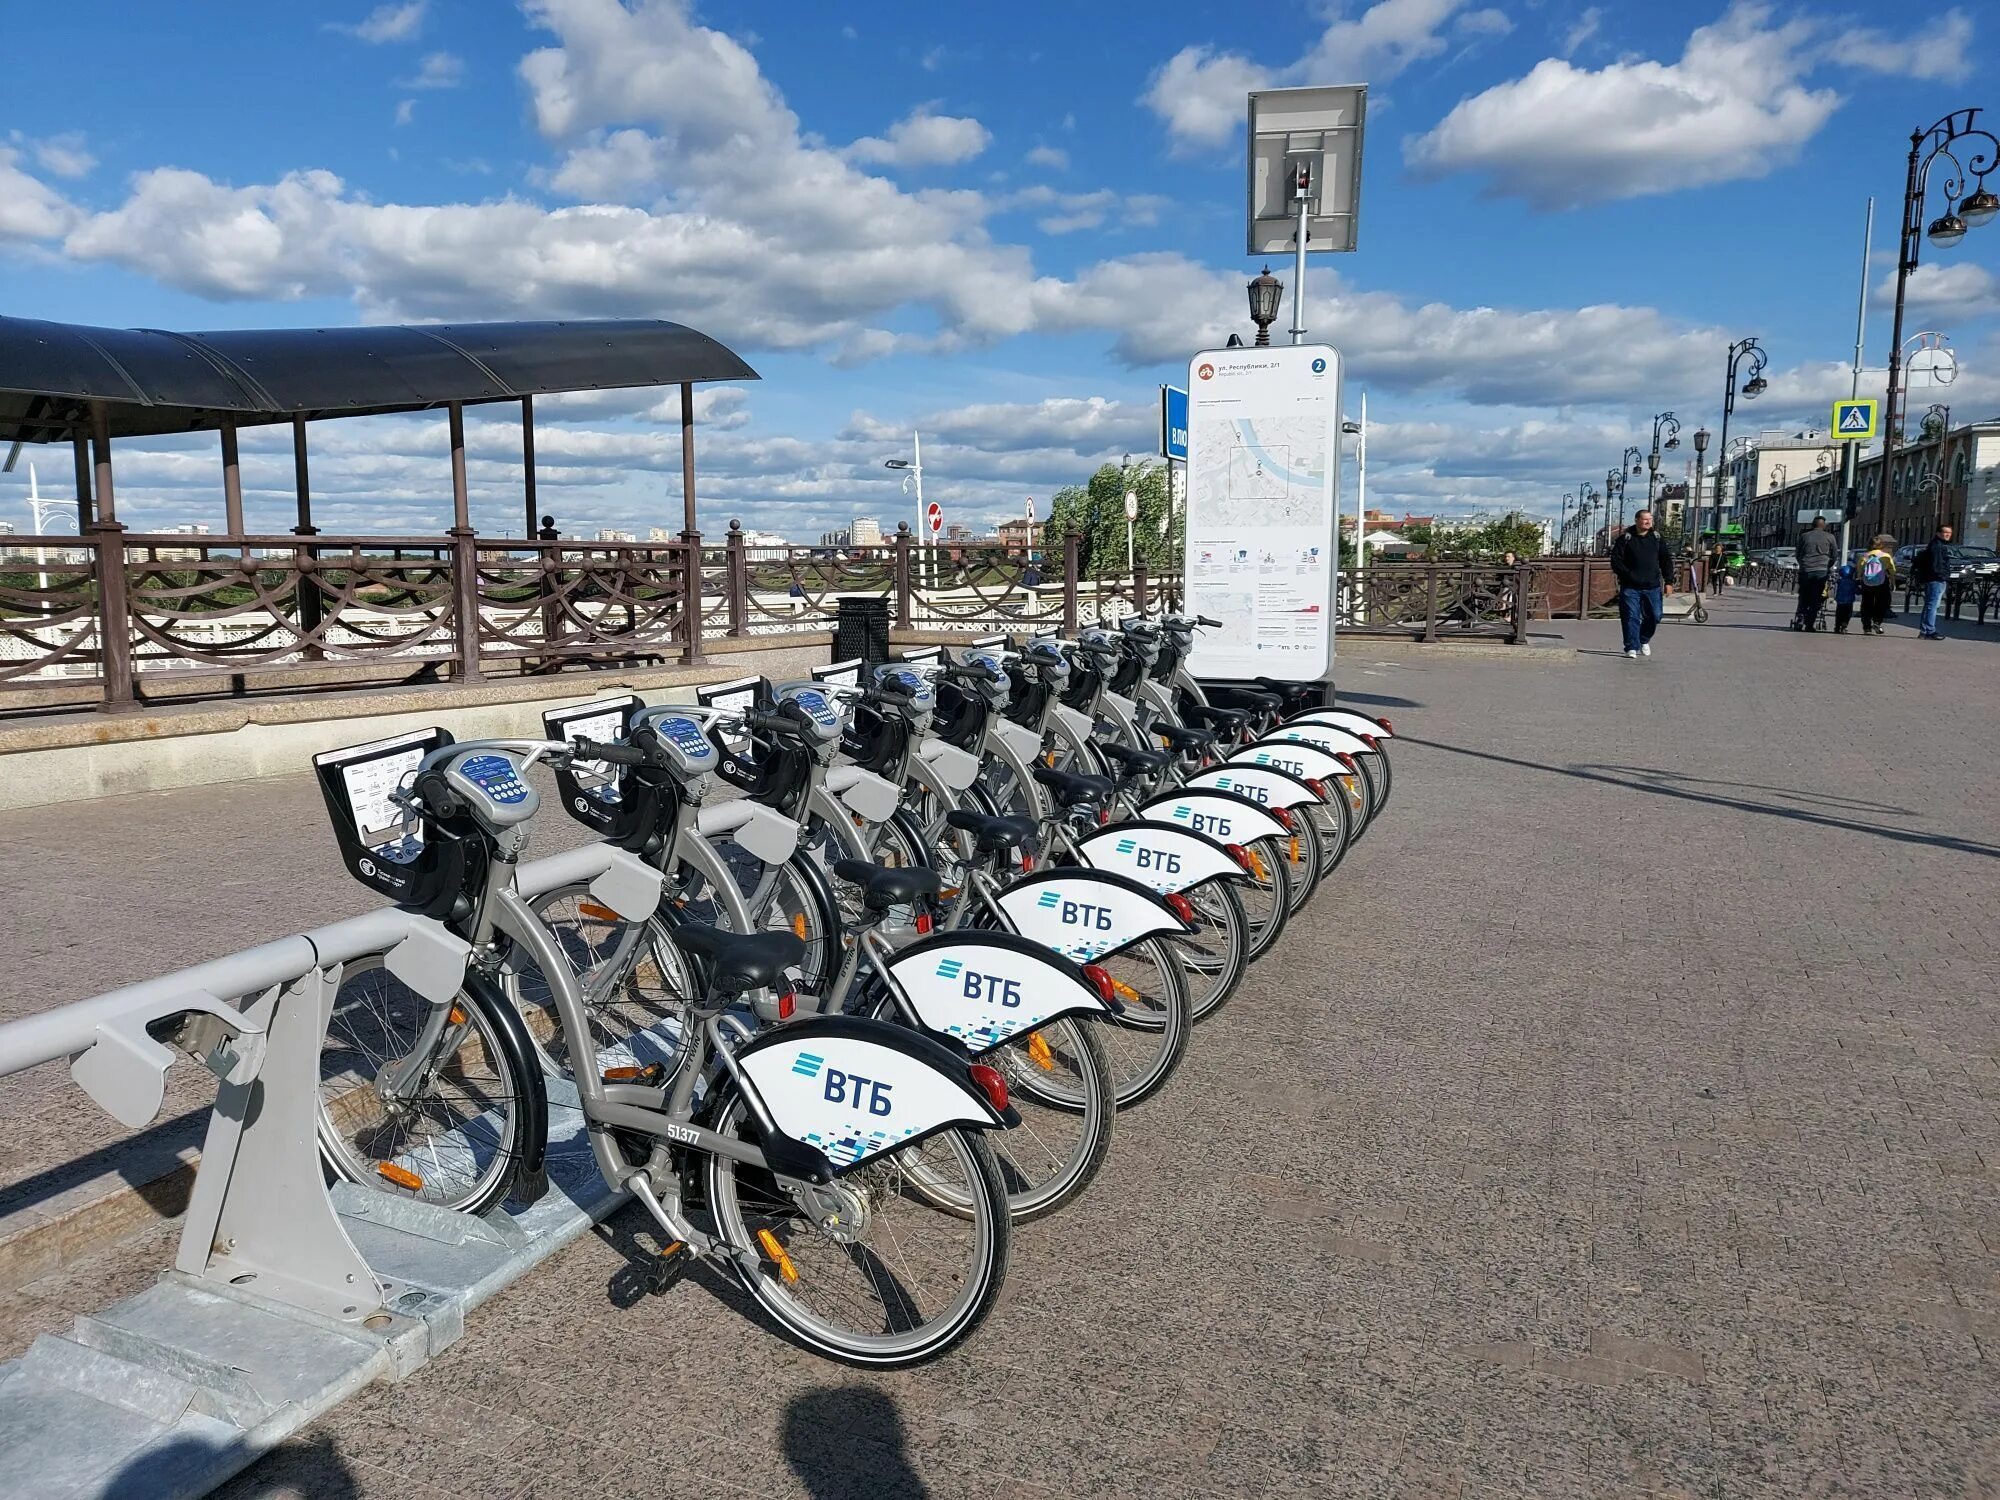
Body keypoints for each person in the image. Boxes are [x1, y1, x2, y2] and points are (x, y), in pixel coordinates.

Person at [1609, 507, 1674, 660]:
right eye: (1645, 519)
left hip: (1652, 586)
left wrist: (1669, 581)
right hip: (1630, 586)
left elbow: (1666, 561)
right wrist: (1628, 574)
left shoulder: (1657, 538)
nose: (1648, 522)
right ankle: (1631, 646)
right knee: (1631, 616)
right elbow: (1616, 561)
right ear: (1637, 520)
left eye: (1650, 519)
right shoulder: (1625, 539)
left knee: (1656, 616)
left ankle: (1643, 639)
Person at [1793, 516, 1836, 631]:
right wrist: (1827, 566)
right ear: (1824, 525)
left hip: (1806, 570)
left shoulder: (1804, 536)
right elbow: (1834, 555)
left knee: (1803, 595)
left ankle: (1800, 618)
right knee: (1816, 598)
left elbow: (1798, 553)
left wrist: (1803, 564)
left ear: (1813, 525)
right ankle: (1809, 624)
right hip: (1821, 571)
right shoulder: (1830, 537)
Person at [1913, 523, 1953, 640]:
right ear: (1938, 533)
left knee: (1930, 605)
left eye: (1949, 533)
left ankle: (1925, 630)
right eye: (1945, 532)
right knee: (1932, 605)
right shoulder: (1937, 546)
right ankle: (1929, 630)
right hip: (1936, 579)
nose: (1947, 535)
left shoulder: (1937, 544)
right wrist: (1943, 575)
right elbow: (1936, 565)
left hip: (1934, 578)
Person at [1857, 534, 1897, 635]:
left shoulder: (1864, 556)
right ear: (1881, 545)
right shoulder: (1886, 556)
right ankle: (1877, 622)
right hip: (1882, 582)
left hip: (1867, 583)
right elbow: (1892, 571)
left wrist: (1860, 578)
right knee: (1881, 603)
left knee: (1866, 603)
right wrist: (1893, 582)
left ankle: (1866, 627)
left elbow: (1859, 572)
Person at [1832, 558, 1858, 635]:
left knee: (1839, 614)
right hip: (1849, 602)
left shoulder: (1840, 582)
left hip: (1840, 602)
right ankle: (1844, 626)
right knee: (1847, 615)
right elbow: (1857, 591)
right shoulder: (1853, 583)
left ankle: (1837, 627)